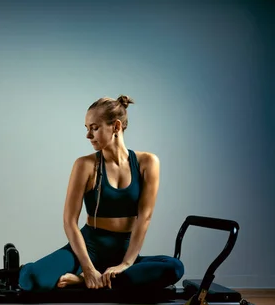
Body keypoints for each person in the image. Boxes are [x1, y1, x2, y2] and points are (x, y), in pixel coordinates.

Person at [18, 95, 184, 292]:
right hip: (89, 249)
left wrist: (127, 264)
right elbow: (69, 221)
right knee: (31, 278)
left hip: (125, 252)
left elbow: (144, 218)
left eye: (94, 128)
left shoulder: (148, 163)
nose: (88, 135)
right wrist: (88, 269)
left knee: (174, 267)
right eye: (87, 128)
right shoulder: (85, 165)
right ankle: (94, 278)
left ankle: (85, 283)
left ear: (116, 126)